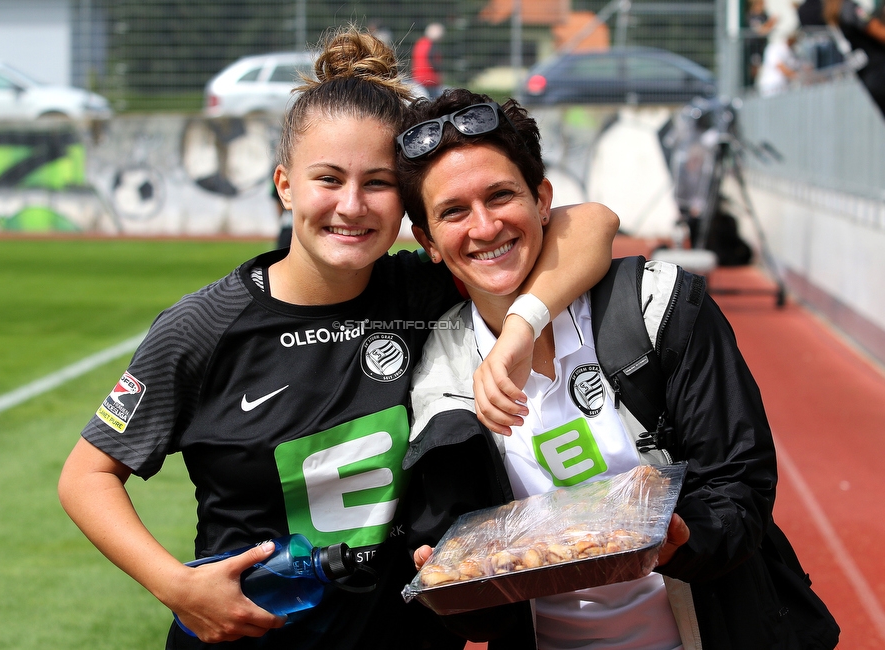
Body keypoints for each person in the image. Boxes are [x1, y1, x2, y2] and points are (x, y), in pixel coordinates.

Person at [57, 28, 619, 650]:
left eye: (377, 183)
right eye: (328, 178)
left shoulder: (423, 289)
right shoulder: (204, 328)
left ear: (405, 208)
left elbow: (591, 222)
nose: (352, 205)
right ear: (285, 184)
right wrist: (175, 586)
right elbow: (85, 476)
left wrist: (520, 324)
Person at [397, 89, 838, 649]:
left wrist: (685, 539)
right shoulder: (437, 374)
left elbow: (741, 488)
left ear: (542, 200)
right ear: (428, 241)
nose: (484, 227)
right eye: (453, 212)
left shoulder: (659, 307)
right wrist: (457, 589)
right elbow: (481, 612)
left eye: (501, 195)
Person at [824, 0, 885, 114]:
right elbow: (879, 32)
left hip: (867, 76)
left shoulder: (832, 15)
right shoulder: (850, 8)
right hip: (879, 70)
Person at [757, 30, 805, 96]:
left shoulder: (793, 52)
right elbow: (781, 67)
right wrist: (798, 77)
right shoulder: (774, 48)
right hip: (771, 87)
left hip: (784, 87)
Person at [412, 23, 445, 99]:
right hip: (429, 79)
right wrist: (439, 72)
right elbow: (431, 59)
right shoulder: (431, 45)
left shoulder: (420, 43)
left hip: (418, 77)